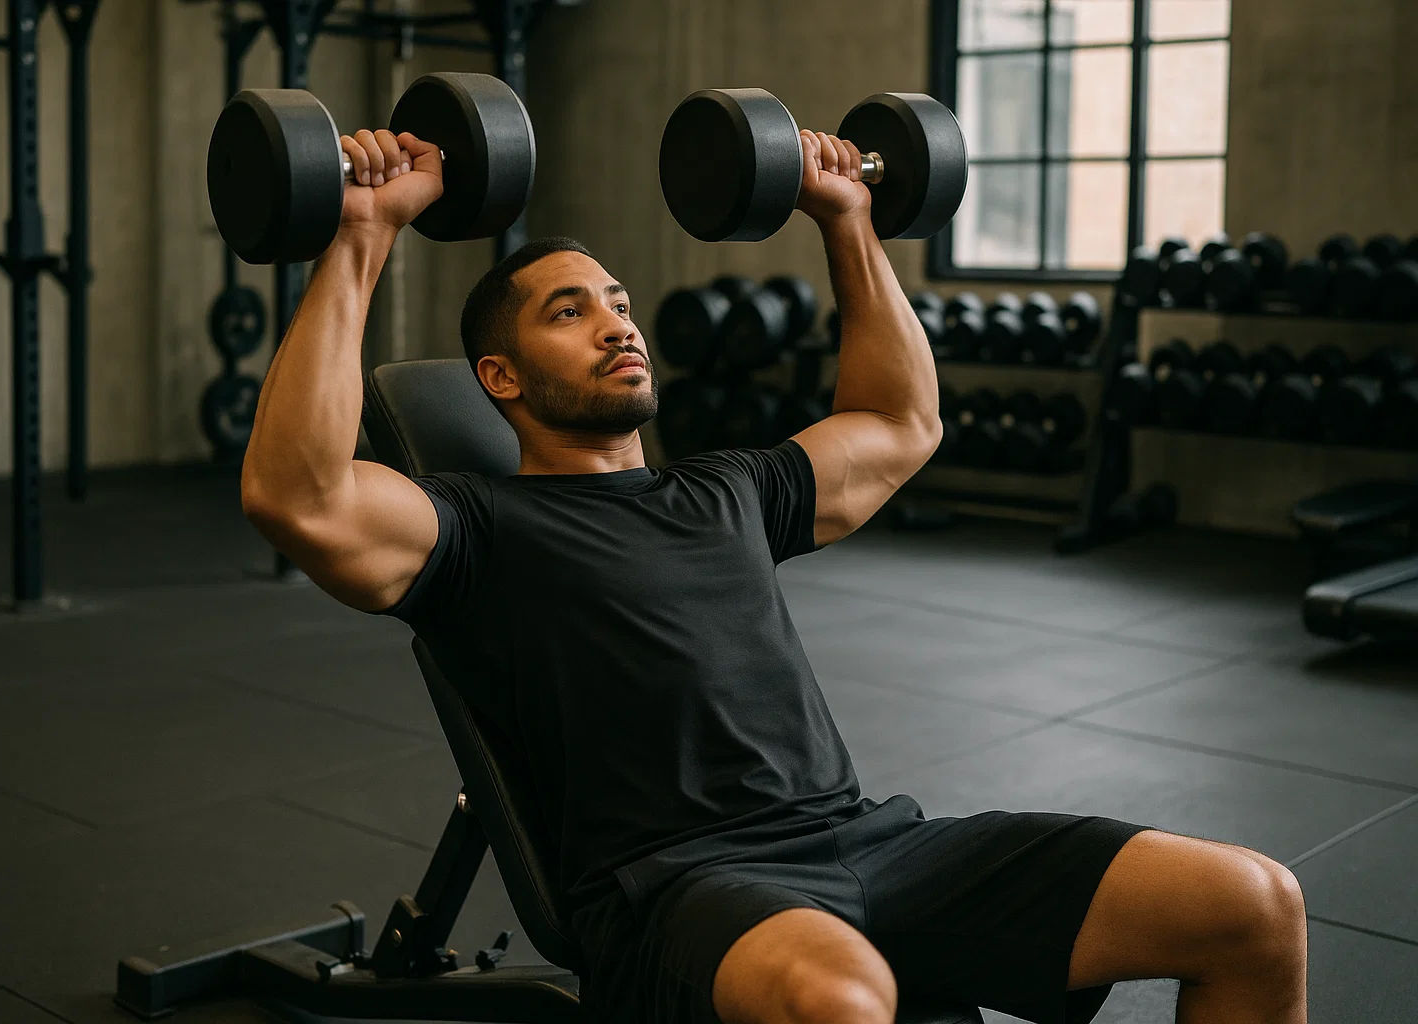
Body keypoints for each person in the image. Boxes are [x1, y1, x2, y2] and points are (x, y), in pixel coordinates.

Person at [239, 124, 1309, 1024]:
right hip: (686, 887)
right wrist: (363, 234)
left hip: (877, 844)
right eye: (570, 312)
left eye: (619, 302)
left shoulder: (733, 488)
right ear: (500, 377)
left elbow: (900, 419)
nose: (616, 324)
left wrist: (847, 217)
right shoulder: (473, 527)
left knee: (1252, 903)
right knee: (841, 998)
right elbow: (301, 494)